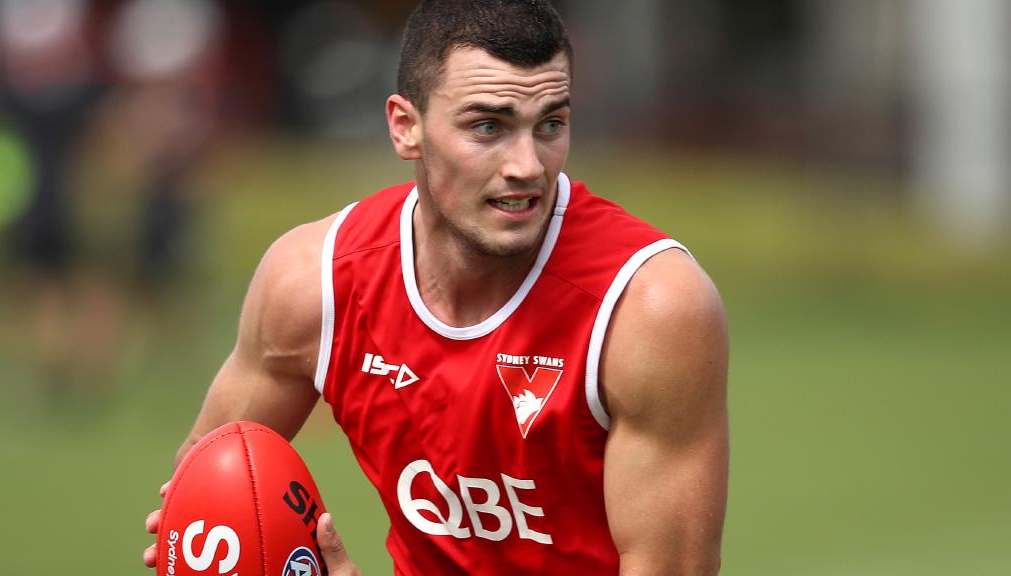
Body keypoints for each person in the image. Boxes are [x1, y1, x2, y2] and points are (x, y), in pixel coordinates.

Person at [144, 0, 729, 574]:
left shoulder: (648, 308)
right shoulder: (314, 283)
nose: (527, 165)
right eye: (487, 127)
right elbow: (201, 501)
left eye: (550, 123)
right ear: (406, 127)